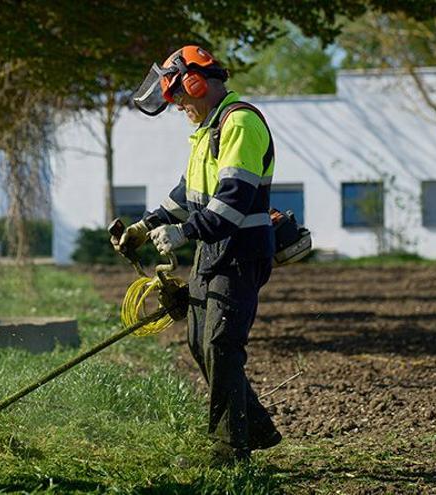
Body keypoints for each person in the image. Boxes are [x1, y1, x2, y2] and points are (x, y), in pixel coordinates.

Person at [111, 45, 281, 465]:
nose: (179, 107)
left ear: (195, 83)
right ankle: (254, 427)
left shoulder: (238, 122)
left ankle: (228, 451)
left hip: (240, 253)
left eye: (179, 98)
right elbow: (185, 196)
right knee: (199, 342)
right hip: (213, 251)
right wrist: (143, 227)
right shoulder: (207, 131)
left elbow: (232, 201)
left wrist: (184, 232)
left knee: (221, 344)